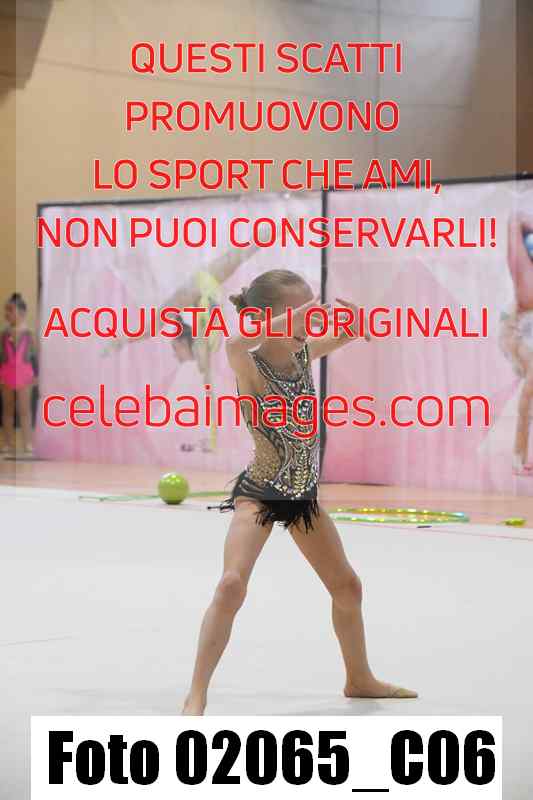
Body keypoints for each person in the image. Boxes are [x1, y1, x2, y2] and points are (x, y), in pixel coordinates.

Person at [182, 269, 417, 715]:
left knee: (347, 587)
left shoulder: (303, 352)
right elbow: (234, 343)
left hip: (301, 496)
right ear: (266, 320)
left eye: (311, 311)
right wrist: (294, 320)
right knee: (231, 585)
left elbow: (345, 334)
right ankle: (196, 694)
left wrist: (356, 324)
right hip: (261, 493)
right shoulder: (250, 365)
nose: (309, 321)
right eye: (299, 314)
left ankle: (359, 678)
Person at [499, 212, 533, 476]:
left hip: (520, 327)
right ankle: (518, 457)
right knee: (529, 391)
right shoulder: (526, 293)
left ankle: (518, 457)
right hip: (517, 330)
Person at [0, 293, 38, 456]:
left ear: (21, 312)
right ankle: (7, 444)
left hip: (25, 374)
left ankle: (28, 443)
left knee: (25, 410)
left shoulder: (29, 333)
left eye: (10, 310)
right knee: (7, 409)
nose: (7, 313)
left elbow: (35, 355)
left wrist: (36, 375)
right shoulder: (4, 333)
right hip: (6, 373)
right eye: (6, 310)